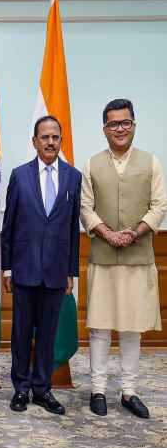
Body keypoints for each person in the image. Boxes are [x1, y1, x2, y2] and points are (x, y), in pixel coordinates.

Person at [80, 98, 167, 418]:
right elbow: (85, 208)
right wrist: (107, 233)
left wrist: (135, 232)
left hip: (138, 257)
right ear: (104, 129)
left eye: (125, 123)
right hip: (103, 257)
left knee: (132, 328)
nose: (120, 129)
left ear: (134, 125)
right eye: (113, 124)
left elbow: (159, 205)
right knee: (100, 327)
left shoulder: (151, 162)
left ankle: (129, 392)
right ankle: (98, 389)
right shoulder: (91, 164)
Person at [1, 115, 81, 415]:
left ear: (61, 141)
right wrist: (7, 268)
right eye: (44, 137)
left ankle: (42, 388)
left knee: (47, 333)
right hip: (24, 269)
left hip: (56, 271)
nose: (50, 142)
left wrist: (71, 271)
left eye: (55, 137)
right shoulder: (19, 175)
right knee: (21, 332)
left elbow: (73, 228)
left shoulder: (73, 177)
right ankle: (21, 388)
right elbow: (8, 227)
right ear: (34, 142)